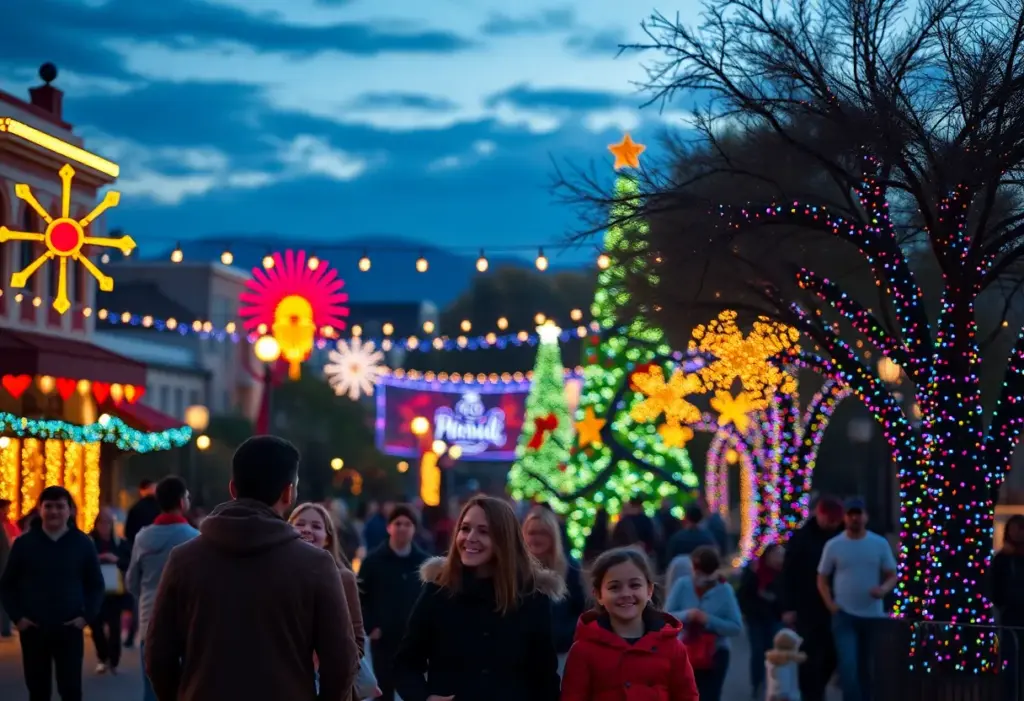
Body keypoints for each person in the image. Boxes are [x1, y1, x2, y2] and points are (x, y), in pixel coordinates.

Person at [144, 436, 359, 701]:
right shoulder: (316, 565)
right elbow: (341, 661)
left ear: (233, 488)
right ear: (288, 493)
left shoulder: (184, 560)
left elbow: (158, 655)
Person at [393, 495, 563, 701]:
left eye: (483, 531)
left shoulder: (531, 597)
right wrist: (424, 698)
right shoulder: (438, 591)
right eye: (465, 529)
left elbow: (545, 678)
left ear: (504, 538)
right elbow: (406, 663)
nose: (470, 537)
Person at [0, 486, 104, 701]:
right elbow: (7, 585)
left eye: (59, 506)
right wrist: (18, 617)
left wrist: (86, 616)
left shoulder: (82, 543)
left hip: (70, 628)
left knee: (71, 690)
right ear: (40, 509)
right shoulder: (24, 544)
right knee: (38, 691)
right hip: (33, 630)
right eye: (48, 506)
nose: (54, 511)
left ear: (70, 510)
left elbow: (96, 585)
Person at [560, 547, 699, 701]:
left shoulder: (672, 648)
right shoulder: (583, 651)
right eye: (614, 587)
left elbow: (687, 696)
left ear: (649, 590)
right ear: (598, 595)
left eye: (634, 585)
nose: (626, 594)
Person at [126, 475, 199, 701]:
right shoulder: (194, 538)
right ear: (182, 502)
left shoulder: (142, 538)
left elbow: (132, 582)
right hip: (185, 622)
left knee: (152, 688)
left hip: (149, 619)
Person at [816, 498, 898, 701]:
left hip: (872, 614)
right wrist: (830, 604)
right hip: (844, 614)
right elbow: (822, 578)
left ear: (865, 517)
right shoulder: (834, 545)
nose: (855, 518)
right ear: (845, 518)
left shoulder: (879, 543)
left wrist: (883, 590)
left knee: (866, 667)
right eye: (851, 514)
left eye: (858, 514)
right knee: (848, 665)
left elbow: (892, 575)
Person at [358, 504, 429, 701]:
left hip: (414, 640)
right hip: (384, 640)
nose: (402, 528)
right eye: (398, 523)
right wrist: (371, 625)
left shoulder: (424, 563)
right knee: (383, 691)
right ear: (389, 527)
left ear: (414, 529)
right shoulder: (373, 562)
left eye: (408, 524)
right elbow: (359, 597)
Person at [779, 495, 844, 701]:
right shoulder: (802, 538)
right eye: (829, 520)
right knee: (810, 655)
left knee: (832, 653)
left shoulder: (842, 536)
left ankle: (818, 687)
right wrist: (788, 607)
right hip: (807, 605)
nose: (832, 525)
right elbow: (788, 573)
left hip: (836, 604)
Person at [677, 545, 743, 701]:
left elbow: (735, 626)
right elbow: (667, 616)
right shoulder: (683, 585)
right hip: (685, 650)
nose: (700, 578)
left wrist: (709, 621)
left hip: (715, 653)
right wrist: (687, 615)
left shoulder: (724, 590)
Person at [522, 508, 587, 666]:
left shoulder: (570, 568)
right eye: (532, 533)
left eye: (543, 533)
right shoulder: (513, 570)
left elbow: (580, 610)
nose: (536, 538)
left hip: (562, 653)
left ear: (553, 536)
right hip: (523, 656)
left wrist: (563, 635)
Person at [738, 543, 785, 697]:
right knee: (758, 652)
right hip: (755, 618)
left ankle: (773, 685)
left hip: (775, 617)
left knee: (773, 652)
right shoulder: (755, 570)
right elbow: (743, 594)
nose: (779, 558)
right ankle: (757, 684)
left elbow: (787, 595)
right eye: (776, 555)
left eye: (781, 555)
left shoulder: (783, 574)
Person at [88, 507, 130, 675]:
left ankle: (113, 661)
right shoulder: (89, 542)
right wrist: (98, 559)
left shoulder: (120, 543)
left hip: (114, 591)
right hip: (94, 590)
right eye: (102, 522)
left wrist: (116, 560)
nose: (105, 526)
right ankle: (102, 657)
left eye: (108, 522)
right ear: (96, 524)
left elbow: (129, 562)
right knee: (96, 627)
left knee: (114, 627)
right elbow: (82, 562)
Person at [124, 479, 160, 648]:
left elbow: (128, 533)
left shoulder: (135, 509)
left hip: (139, 555)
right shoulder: (160, 507)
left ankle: (134, 634)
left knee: (138, 598)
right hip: (160, 557)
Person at [0, 498, 13, 638]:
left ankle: (5, 628)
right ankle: (5, 628)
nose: (8, 511)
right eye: (6, 509)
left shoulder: (5, 524)